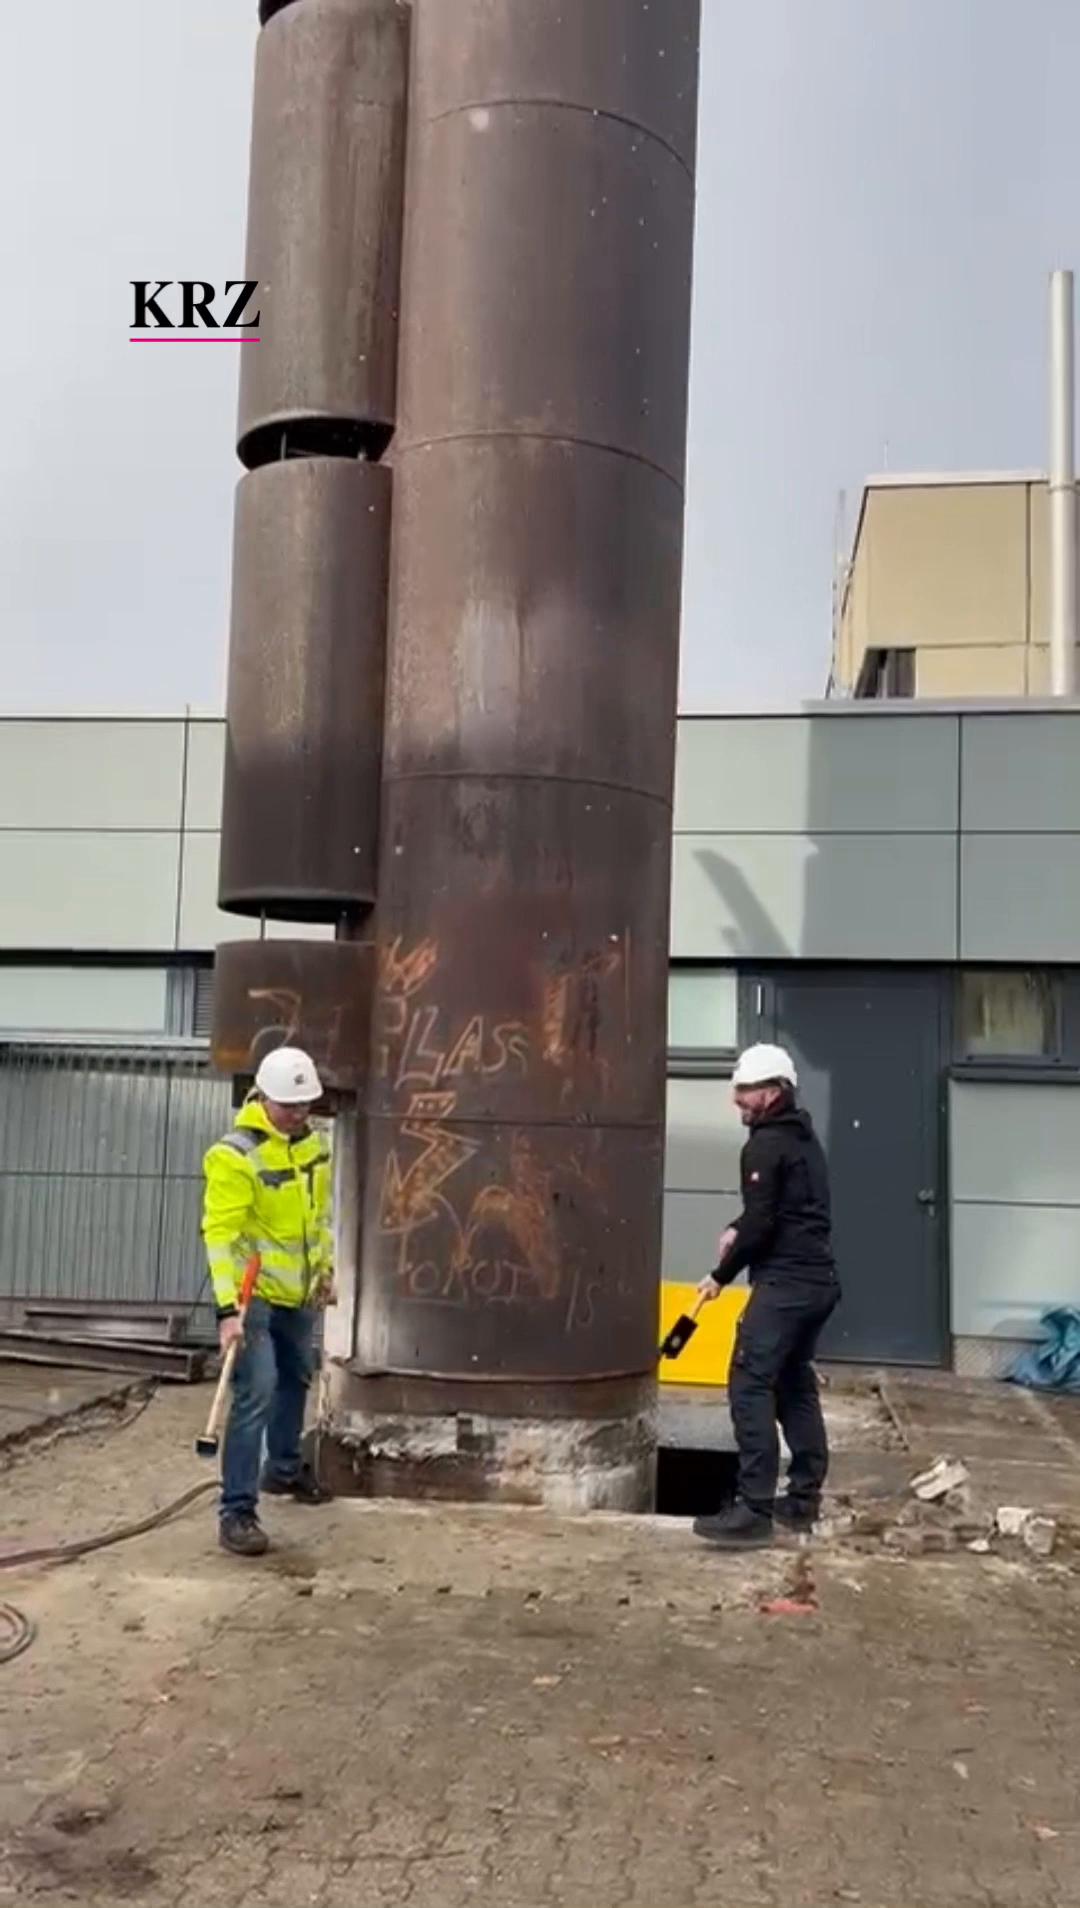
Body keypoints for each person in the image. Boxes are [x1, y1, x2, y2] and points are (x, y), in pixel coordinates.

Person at [691, 1044, 840, 1551]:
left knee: (749, 1380)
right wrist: (741, 1226)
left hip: (786, 1286)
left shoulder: (762, 1147)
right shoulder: (803, 1140)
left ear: (773, 1092)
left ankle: (752, 1507)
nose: (738, 1101)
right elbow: (777, 1212)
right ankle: (802, 1499)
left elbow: (762, 1222)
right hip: (818, 1282)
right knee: (794, 1381)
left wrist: (719, 1275)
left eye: (746, 1092)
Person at [202, 1046, 336, 1557]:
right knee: (256, 1390)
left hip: (298, 1292)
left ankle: (282, 1470)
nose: (299, 1114)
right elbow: (219, 1234)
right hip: (251, 1295)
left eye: (305, 1105)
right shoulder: (234, 1154)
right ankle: (237, 1511)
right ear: (261, 1096)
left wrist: (324, 1270)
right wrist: (225, 1312)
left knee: (296, 1378)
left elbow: (318, 1218)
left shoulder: (314, 1147)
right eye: (289, 1105)